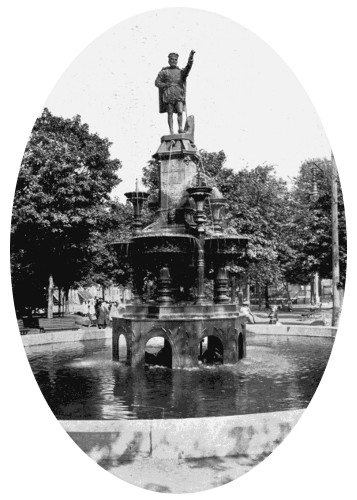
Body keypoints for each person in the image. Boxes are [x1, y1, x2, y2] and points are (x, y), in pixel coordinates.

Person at [155, 50, 195, 134]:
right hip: (169, 95)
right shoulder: (164, 72)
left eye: (175, 59)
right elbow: (157, 83)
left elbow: (188, 67)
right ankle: (171, 130)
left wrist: (191, 57)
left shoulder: (181, 72)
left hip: (178, 94)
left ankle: (180, 128)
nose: (173, 61)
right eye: (172, 59)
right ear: (169, 60)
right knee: (170, 113)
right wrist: (165, 84)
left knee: (180, 111)